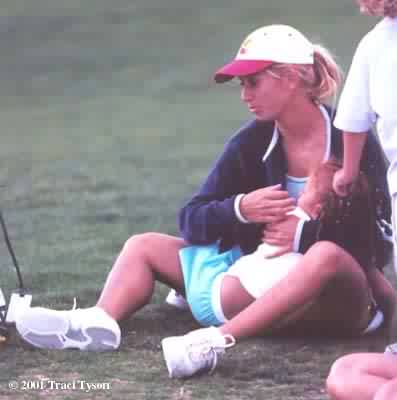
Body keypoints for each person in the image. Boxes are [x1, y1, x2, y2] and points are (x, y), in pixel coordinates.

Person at [15, 24, 394, 379]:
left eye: (253, 82)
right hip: (257, 279)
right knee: (144, 245)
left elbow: (380, 246)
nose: (244, 95)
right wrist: (239, 209)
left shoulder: (352, 142)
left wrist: (303, 234)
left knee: (324, 254)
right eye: (241, 85)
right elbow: (191, 218)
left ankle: (215, 341)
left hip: (336, 299)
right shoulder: (250, 143)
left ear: (292, 78)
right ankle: (98, 320)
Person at [326, 1, 397, 399]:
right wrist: (348, 172)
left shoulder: (375, 45)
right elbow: (354, 119)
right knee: (344, 374)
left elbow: (353, 122)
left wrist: (347, 174)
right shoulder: (375, 44)